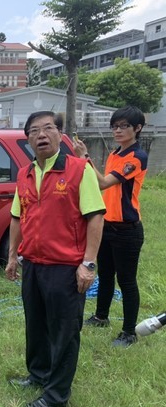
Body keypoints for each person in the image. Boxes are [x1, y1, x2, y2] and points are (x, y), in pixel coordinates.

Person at [5, 111, 105, 407]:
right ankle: (38, 374)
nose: (42, 135)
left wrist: (88, 263)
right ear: (28, 139)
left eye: (48, 128)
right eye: (34, 130)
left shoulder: (78, 170)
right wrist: (12, 255)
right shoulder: (25, 173)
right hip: (33, 264)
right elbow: (16, 216)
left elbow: (95, 216)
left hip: (65, 267)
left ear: (60, 134)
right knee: (36, 325)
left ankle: (56, 395)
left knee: (64, 330)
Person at [73, 105, 148, 347]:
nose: (118, 130)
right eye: (115, 126)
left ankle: (129, 332)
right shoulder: (116, 153)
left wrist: (85, 157)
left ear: (137, 128)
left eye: (124, 126)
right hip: (107, 225)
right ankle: (101, 316)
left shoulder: (137, 157)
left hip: (127, 230)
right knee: (105, 275)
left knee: (127, 281)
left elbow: (104, 183)